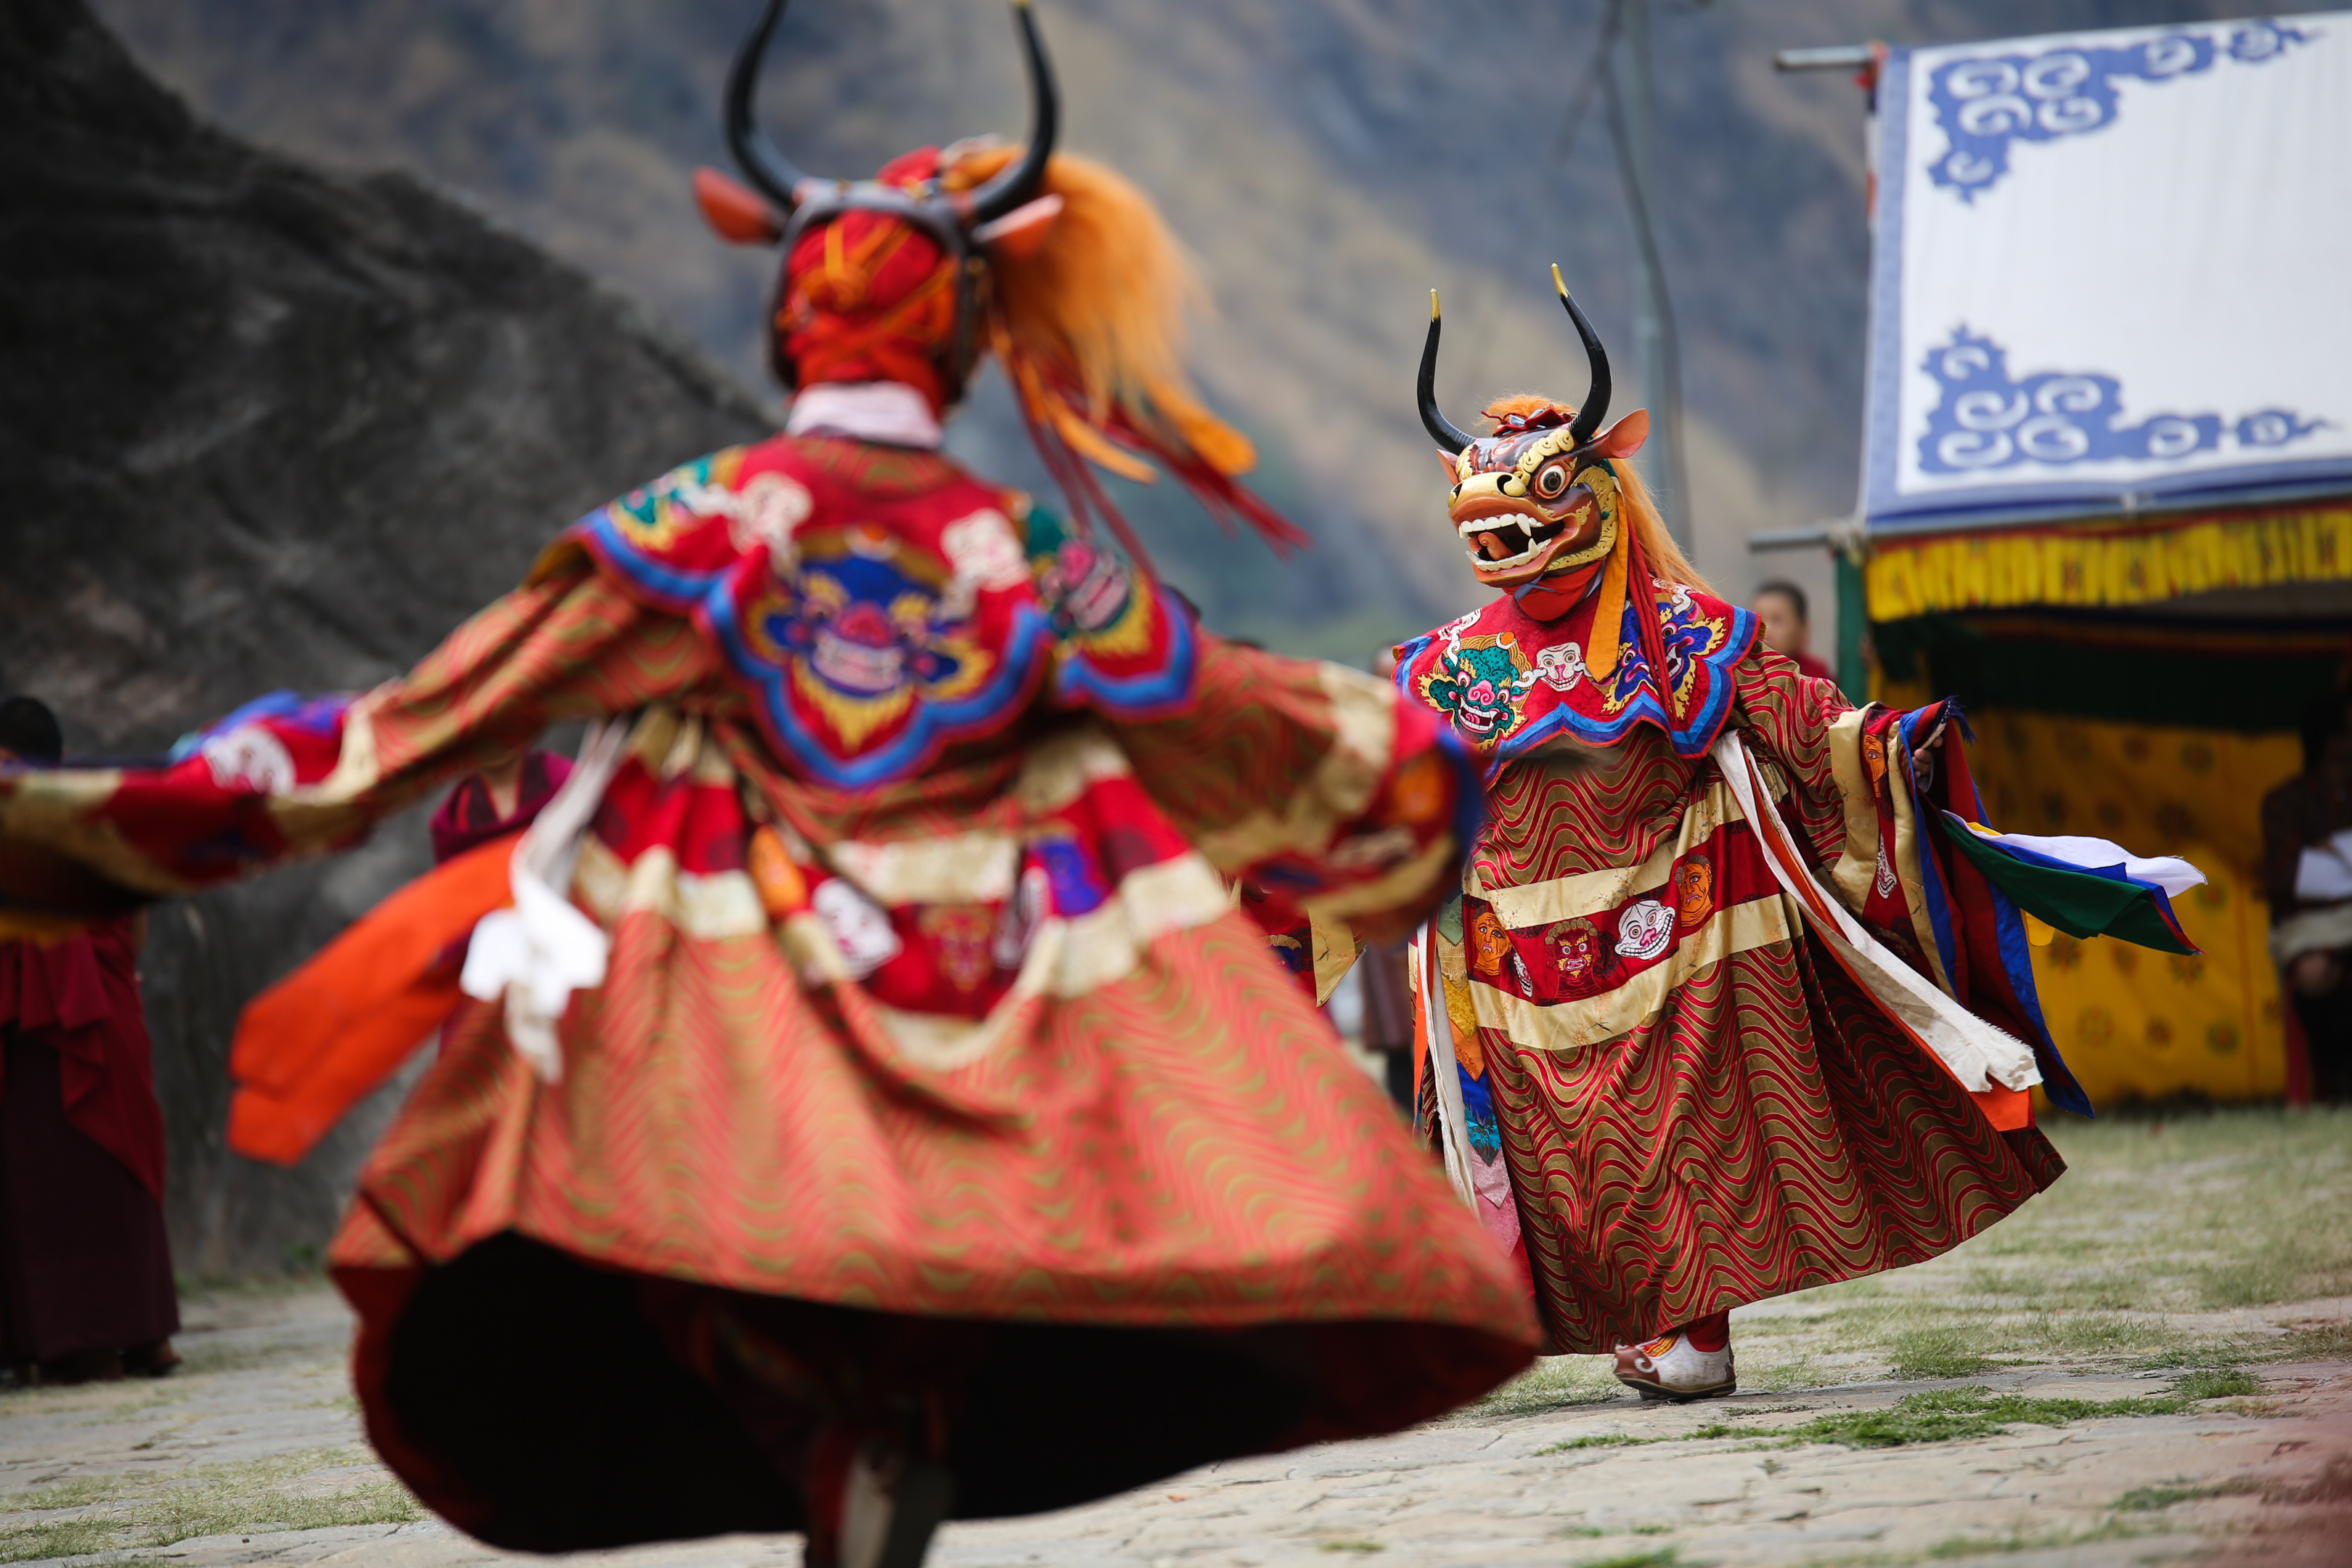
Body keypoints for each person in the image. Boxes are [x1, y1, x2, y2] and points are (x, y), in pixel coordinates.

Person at [0, 7, 1535, 1564]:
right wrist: (1411, 781)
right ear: (959, 335)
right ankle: (888, 1433)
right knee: (941, 1284)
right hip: (990, 990)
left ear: (789, 320)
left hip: (732, 997)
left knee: (720, 1269)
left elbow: (426, 719)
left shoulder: (692, 532)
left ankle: (823, 1436)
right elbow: (1230, 712)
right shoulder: (1019, 548)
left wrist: (131, 820)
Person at [1384, 271, 2194, 1402]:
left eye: (1535, 508)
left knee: (1690, 1132)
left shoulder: (1687, 631)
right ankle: (1636, 1327)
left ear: (1599, 498)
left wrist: (1886, 752)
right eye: (1486, 518)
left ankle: (1695, 1336)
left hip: (1688, 925)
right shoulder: (1441, 660)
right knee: (1579, 1159)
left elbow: (1801, 724)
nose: (1508, 537)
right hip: (1520, 961)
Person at [0, 696, 179, 1385]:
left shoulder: (90, 810)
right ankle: (59, 1337)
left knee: (113, 1159)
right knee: (35, 1173)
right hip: (19, 1027)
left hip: (92, 1009)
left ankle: (139, 1332)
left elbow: (129, 920)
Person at [2261, 688, 2352, 1104]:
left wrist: (2330, 848)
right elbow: (2285, 872)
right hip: (2311, 922)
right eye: (2340, 735)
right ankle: (2333, 1078)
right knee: (2317, 975)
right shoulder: (2285, 801)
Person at [1748, 579, 1836, 684]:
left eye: (1777, 620)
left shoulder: (1816, 681)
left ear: (1803, 630)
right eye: (1758, 620)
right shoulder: (1740, 673)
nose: (1766, 631)